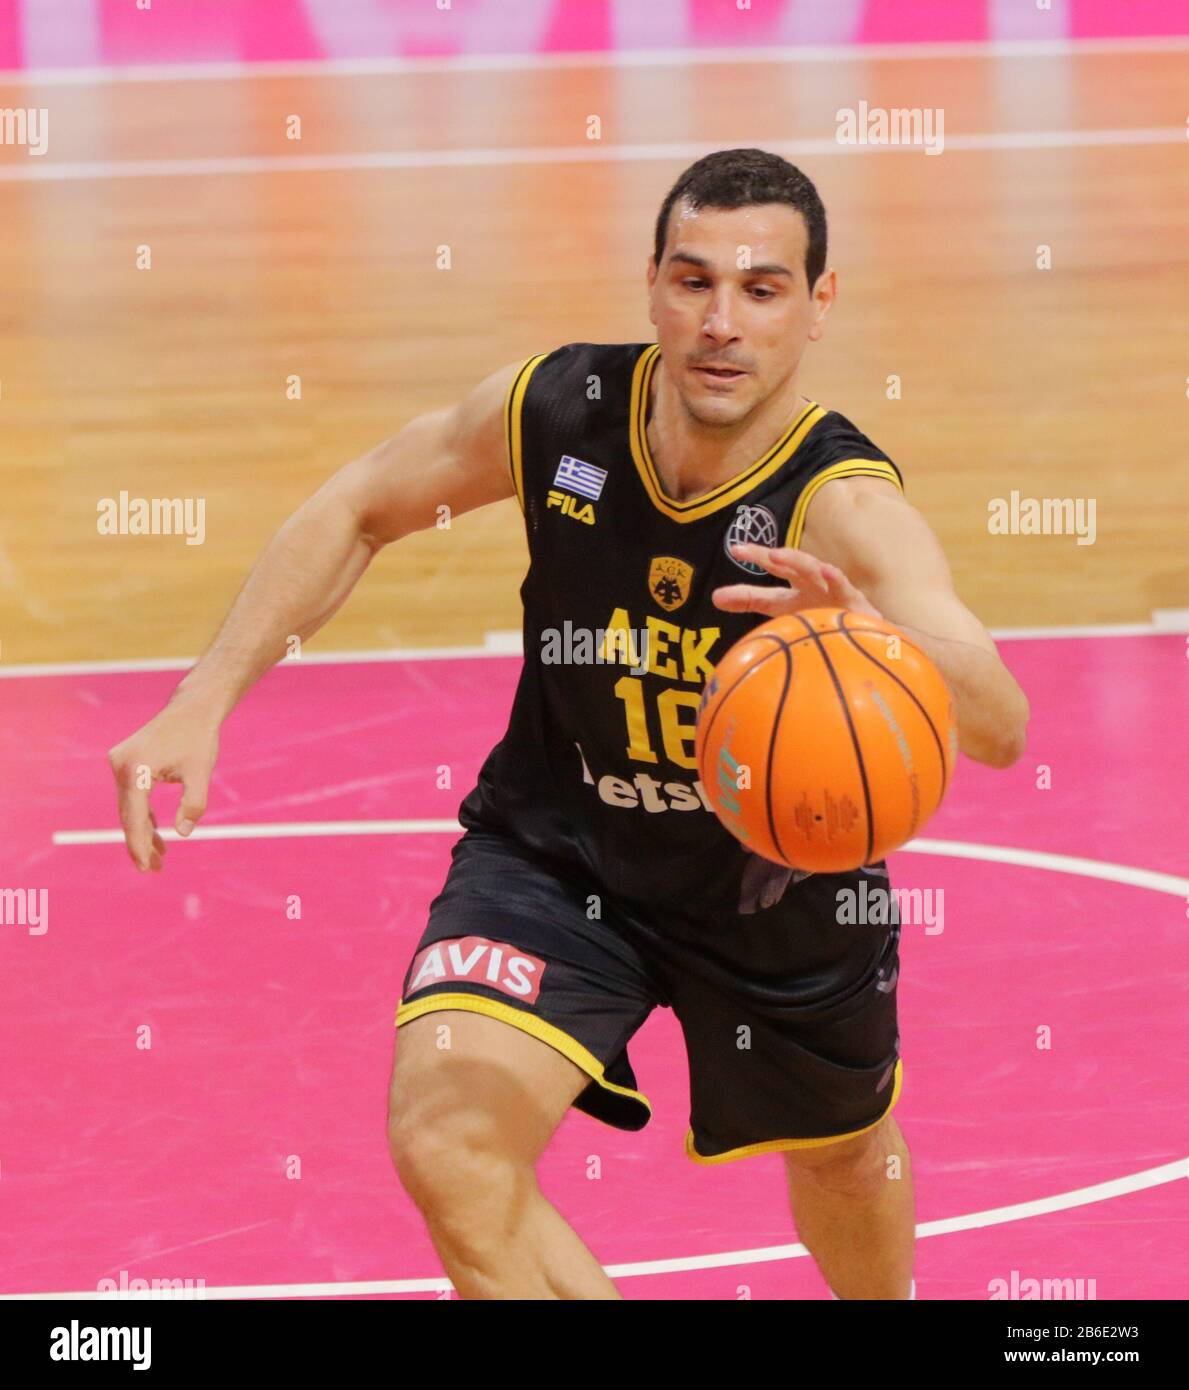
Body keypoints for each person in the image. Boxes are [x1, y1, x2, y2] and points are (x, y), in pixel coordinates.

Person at [108, 148, 1029, 1301]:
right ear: (651, 283)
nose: (720, 324)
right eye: (692, 282)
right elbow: (358, 506)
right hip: (557, 852)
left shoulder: (841, 506)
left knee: (841, 1161)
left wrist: (882, 647)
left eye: (761, 289)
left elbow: (999, 724)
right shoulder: (559, 410)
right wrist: (207, 691)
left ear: (817, 305)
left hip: (776, 886)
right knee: (448, 1144)